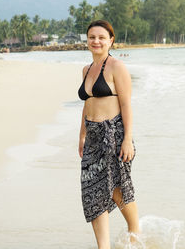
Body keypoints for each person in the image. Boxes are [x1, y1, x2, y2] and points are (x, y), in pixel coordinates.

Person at [78, 20, 139, 249]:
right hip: (92, 138)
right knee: (92, 192)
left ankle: (135, 232)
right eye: (92, 37)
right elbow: (87, 105)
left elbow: (126, 105)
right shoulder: (86, 70)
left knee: (116, 189)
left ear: (111, 40)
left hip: (113, 136)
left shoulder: (117, 67)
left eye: (101, 37)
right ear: (87, 41)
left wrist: (127, 140)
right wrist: (82, 135)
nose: (96, 41)